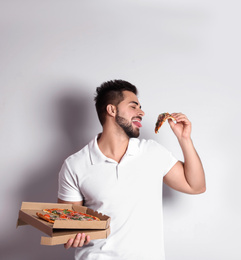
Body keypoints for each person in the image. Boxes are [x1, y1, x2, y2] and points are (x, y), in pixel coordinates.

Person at [57, 79, 206, 260]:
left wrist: (185, 139)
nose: (141, 112)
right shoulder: (75, 165)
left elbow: (196, 186)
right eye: (133, 106)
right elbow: (66, 231)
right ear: (112, 110)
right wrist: (74, 236)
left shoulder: (152, 152)